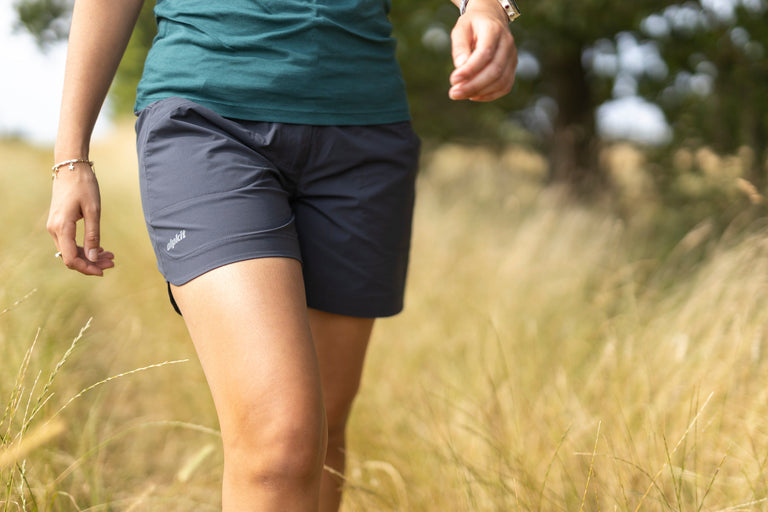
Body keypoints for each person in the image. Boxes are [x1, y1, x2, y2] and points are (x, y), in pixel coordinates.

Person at [46, 0, 518, 510]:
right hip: (207, 119)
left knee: (325, 432)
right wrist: (71, 155)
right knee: (281, 443)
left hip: (362, 133)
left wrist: (485, 6)